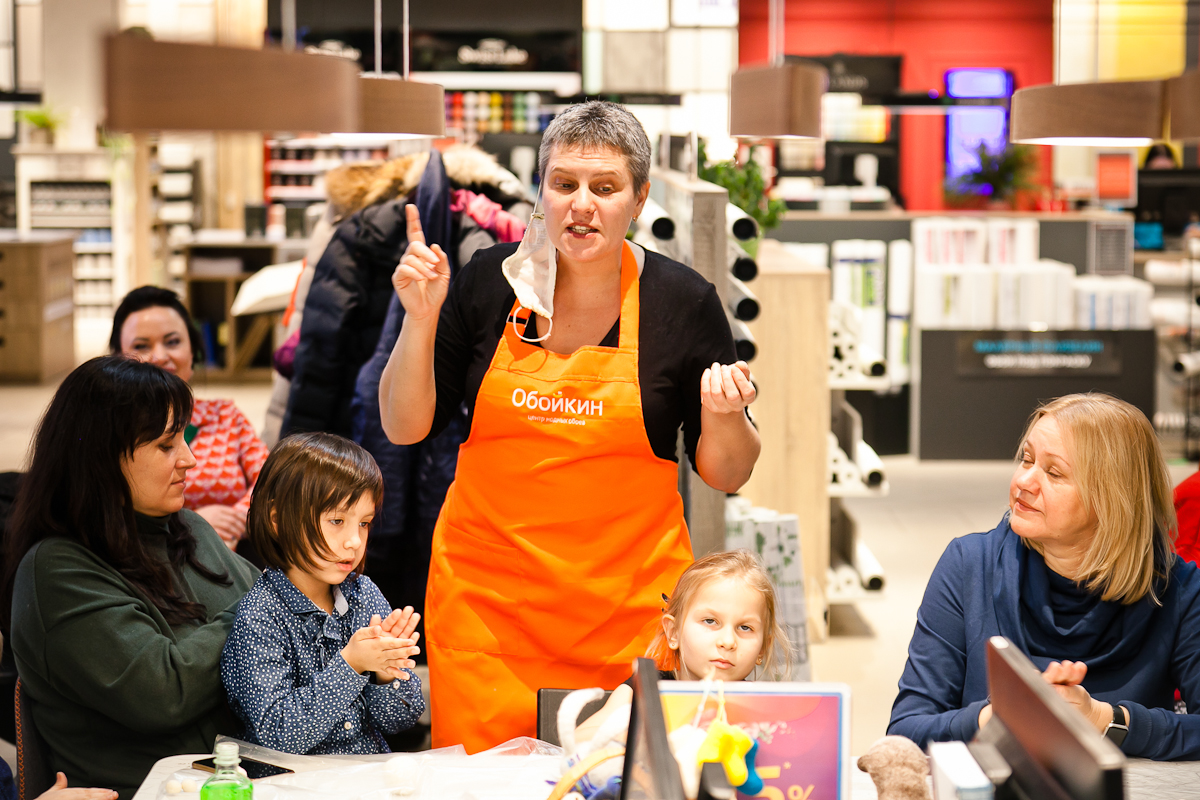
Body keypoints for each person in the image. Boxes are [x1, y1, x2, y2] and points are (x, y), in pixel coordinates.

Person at [378, 100, 761, 751]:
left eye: (605, 188)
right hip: (486, 616)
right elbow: (403, 426)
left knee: (615, 780)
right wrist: (419, 320)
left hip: (629, 621)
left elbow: (727, 472)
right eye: (564, 184)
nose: (581, 205)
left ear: (639, 199)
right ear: (542, 189)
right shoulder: (487, 283)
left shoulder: (682, 302)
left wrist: (726, 416)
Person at [2, 356, 261, 799]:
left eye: (184, 439)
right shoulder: (56, 571)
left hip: (245, 772)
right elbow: (164, 692)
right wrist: (268, 608)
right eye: (166, 446)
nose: (190, 459)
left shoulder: (189, 528)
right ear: (101, 458)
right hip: (154, 789)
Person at [888, 393, 1200, 760]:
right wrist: (999, 716)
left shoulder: (1180, 591)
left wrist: (1103, 719)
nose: (1024, 481)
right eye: (1026, 459)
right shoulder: (969, 565)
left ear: (1113, 499)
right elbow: (905, 733)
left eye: (1054, 473)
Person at [220, 432, 425, 755]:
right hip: (291, 779)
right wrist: (351, 665)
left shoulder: (364, 594)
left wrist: (386, 673)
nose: (354, 541)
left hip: (367, 774)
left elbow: (401, 720)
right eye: (337, 520)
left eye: (364, 523)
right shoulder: (260, 615)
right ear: (277, 520)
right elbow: (278, 734)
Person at [111, 286, 270, 551]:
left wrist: (237, 519)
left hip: (236, 551)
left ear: (193, 351)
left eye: (172, 342)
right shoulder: (111, 427)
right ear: (117, 359)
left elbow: (271, 479)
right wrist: (194, 524)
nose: (160, 356)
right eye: (141, 346)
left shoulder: (225, 415)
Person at [576, 549, 793, 743]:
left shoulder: (760, 705)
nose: (728, 642)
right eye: (710, 621)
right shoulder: (643, 690)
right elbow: (580, 738)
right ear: (674, 632)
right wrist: (643, 738)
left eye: (745, 627)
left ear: (763, 647)